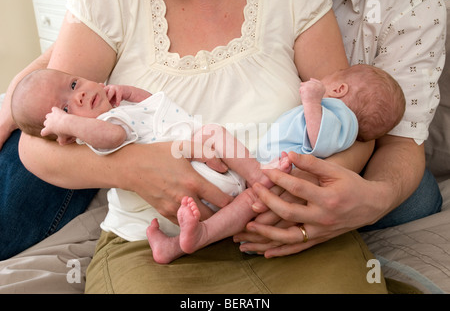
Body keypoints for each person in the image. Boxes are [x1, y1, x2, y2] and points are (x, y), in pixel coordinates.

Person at [0, 0, 437, 293]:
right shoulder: (109, 4)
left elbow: (351, 128)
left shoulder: (297, 2)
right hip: (154, 247)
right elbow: (38, 142)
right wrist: (132, 169)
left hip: (286, 233)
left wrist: (325, 188)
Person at [10, 64, 406, 264]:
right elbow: (112, 139)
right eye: (65, 106)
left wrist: (129, 92)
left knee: (240, 199)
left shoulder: (119, 108)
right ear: (67, 134)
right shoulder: (101, 129)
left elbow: (155, 105)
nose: (77, 98)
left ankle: (192, 237)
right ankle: (251, 183)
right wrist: (70, 124)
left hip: (199, 154)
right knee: (237, 179)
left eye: (75, 85)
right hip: (185, 160)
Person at [235, 0, 445, 258]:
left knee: (418, 200)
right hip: (280, 138)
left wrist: (355, 194)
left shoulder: (414, 5)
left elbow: (400, 140)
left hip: (335, 148)